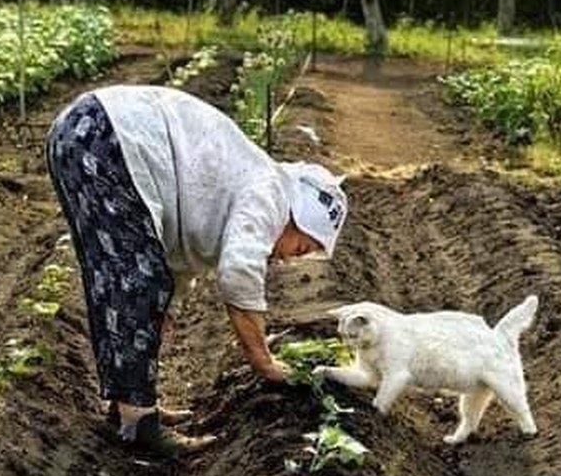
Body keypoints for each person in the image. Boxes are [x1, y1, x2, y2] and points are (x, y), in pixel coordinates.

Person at [44, 84, 349, 455]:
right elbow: (238, 272)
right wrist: (263, 363)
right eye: (301, 246)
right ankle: (138, 419)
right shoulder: (270, 195)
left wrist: (162, 313)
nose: (288, 258)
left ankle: (129, 407)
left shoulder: (253, 189)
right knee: (135, 277)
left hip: (88, 134)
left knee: (134, 279)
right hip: (105, 134)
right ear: (296, 218)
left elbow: (174, 271)